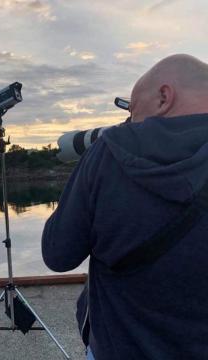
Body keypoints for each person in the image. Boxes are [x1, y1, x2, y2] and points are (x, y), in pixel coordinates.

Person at [42, 54, 208, 360]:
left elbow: (58, 254)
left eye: (132, 109)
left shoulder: (112, 149)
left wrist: (87, 175)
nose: (128, 121)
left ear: (164, 97)